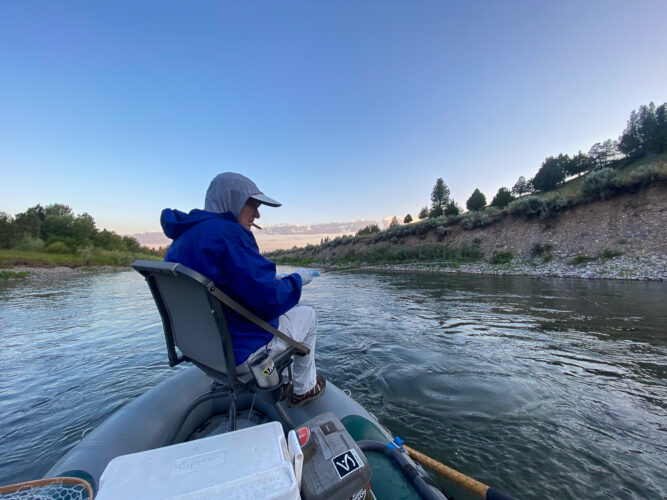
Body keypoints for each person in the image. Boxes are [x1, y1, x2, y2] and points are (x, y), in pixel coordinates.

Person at [160, 172, 325, 407]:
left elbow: (225, 285)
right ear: (232, 201)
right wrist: (297, 280)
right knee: (308, 315)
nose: (257, 214)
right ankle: (304, 389)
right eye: (253, 204)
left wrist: (272, 280)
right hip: (241, 352)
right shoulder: (230, 234)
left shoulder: (179, 242)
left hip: (203, 351)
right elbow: (271, 301)